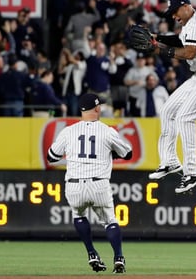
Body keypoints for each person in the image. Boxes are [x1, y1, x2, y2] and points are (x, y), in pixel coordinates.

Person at [46, 93, 132, 273]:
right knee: (109, 220)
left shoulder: (68, 131)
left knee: (78, 215)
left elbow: (52, 157)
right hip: (98, 183)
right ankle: (118, 258)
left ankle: (92, 253)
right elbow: (128, 154)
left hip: (74, 184)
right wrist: (111, 153)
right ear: (98, 108)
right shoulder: (107, 131)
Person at [147, 0, 196, 194]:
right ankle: (170, 160)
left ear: (186, 6)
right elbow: (179, 41)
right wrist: (157, 38)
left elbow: (189, 52)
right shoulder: (189, 22)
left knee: (185, 117)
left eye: (175, 11)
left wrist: (160, 49)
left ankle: (192, 171)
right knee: (167, 111)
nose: (174, 16)